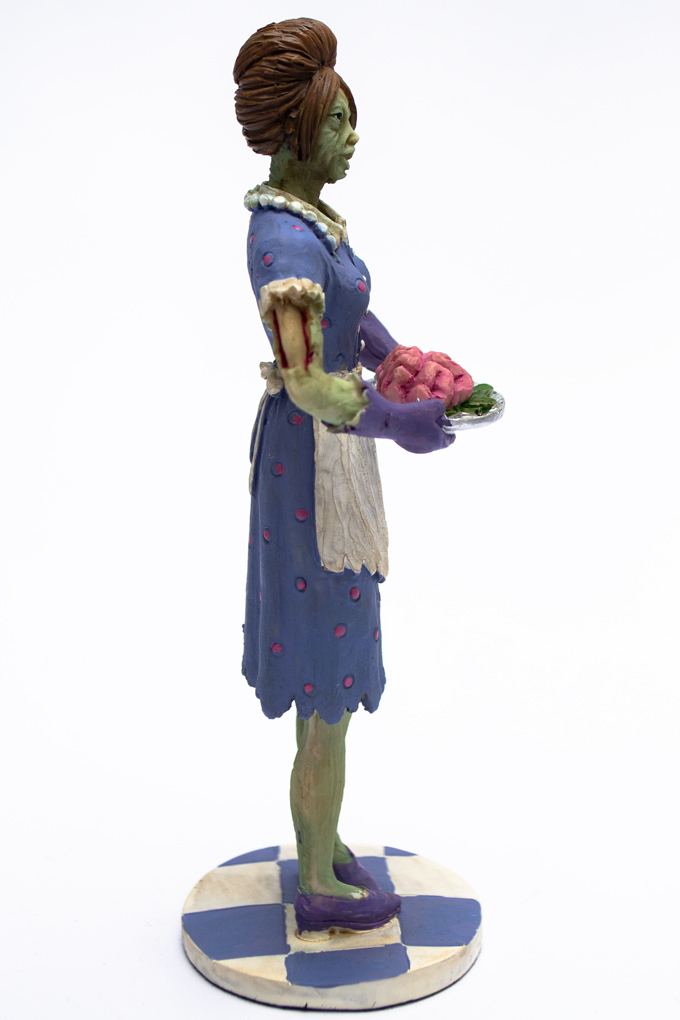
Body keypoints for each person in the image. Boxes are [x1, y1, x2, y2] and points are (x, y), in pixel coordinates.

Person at [234, 18, 455, 934]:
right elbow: (309, 383)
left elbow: (348, 321)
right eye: (337, 121)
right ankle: (318, 880)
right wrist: (397, 419)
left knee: (334, 683)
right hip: (311, 466)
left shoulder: (311, 223)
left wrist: (397, 356)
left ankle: (321, 843)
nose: (352, 137)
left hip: (335, 453)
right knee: (324, 683)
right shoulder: (282, 245)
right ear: (295, 130)